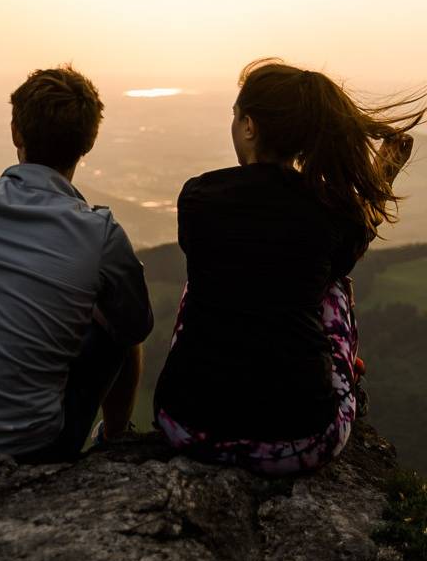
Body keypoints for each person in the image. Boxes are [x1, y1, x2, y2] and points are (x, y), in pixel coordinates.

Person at [153, 58, 424, 475]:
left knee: (205, 278)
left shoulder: (198, 196)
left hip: (186, 427)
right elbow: (353, 237)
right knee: (332, 284)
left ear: (249, 126)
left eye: (235, 116)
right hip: (301, 441)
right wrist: (383, 170)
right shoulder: (331, 212)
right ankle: (345, 377)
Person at [0, 65, 153, 462]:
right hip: (34, 448)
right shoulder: (99, 233)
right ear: (87, 143)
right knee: (118, 327)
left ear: (15, 132)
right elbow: (135, 326)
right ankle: (116, 438)